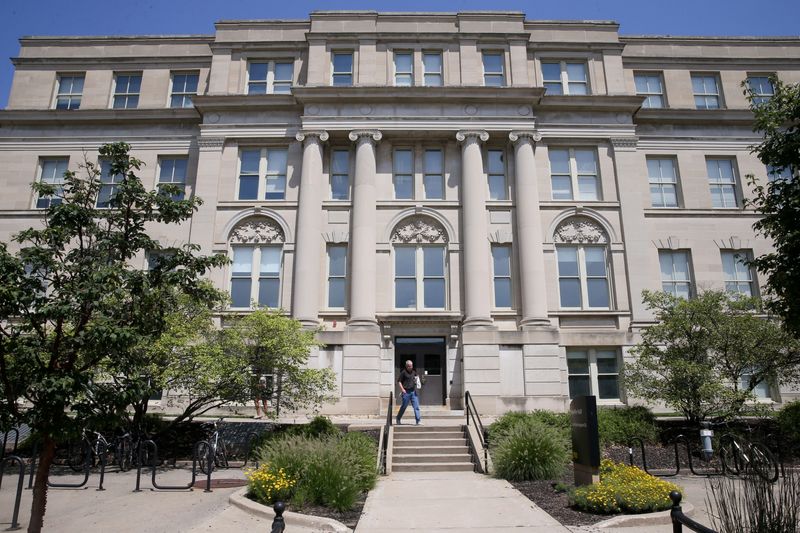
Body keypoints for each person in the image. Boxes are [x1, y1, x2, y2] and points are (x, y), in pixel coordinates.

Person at [396, 360, 422, 425]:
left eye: (411, 366)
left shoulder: (414, 372)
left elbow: (416, 379)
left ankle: (418, 421)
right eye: (409, 366)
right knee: (404, 407)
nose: (411, 367)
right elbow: (399, 381)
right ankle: (398, 418)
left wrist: (417, 382)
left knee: (416, 406)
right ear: (406, 366)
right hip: (406, 392)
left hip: (413, 392)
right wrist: (402, 389)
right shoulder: (403, 372)